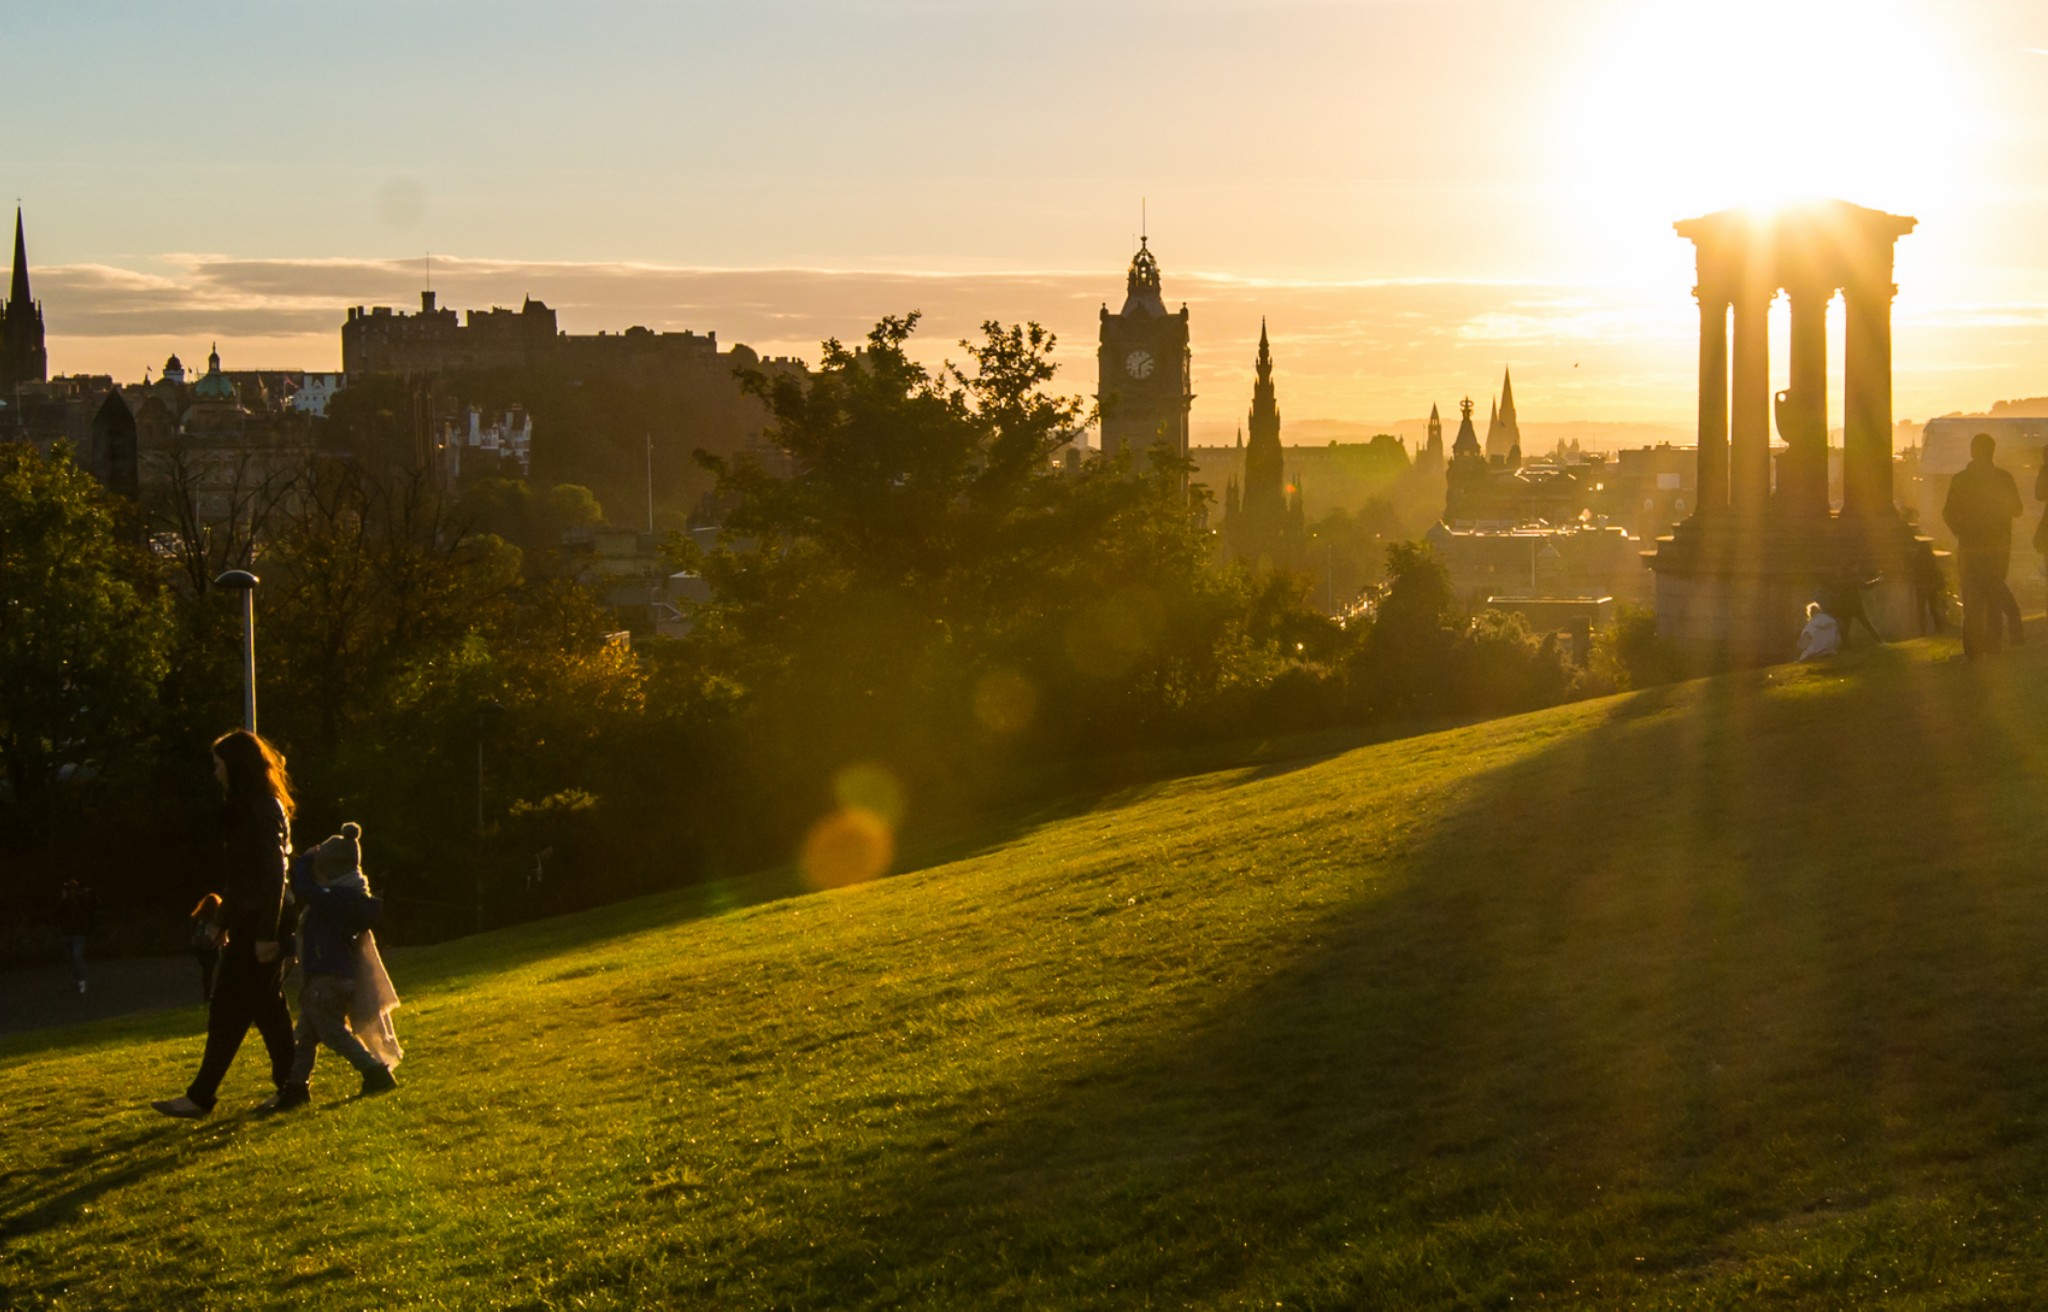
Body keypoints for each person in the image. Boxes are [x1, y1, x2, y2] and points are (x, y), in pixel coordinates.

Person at [152, 730, 298, 1120]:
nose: (215, 771)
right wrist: (223, 921)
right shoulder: (250, 807)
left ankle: (202, 1096)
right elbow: (242, 876)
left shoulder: (262, 809)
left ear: (235, 765)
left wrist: (266, 934)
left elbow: (273, 874)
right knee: (267, 1008)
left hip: (262, 925)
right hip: (253, 922)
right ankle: (291, 1084)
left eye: (219, 763)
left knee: (229, 1009)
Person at [266, 822, 400, 1109]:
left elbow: (304, 887)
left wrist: (303, 860)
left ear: (332, 869)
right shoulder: (346, 897)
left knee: (332, 1032)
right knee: (304, 1036)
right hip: (328, 977)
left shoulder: (338, 898)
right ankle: (295, 1087)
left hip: (327, 978)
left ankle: (374, 1072)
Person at [1943, 432, 2024, 658]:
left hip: (1970, 548)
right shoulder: (2004, 478)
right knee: (1994, 597)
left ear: (1972, 452)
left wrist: (1961, 531)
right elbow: (2017, 509)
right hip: (1998, 548)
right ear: (1992, 452)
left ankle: (1972, 648)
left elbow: (1948, 513)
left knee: (1972, 599)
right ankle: (1993, 645)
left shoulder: (1960, 480)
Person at [54, 877, 96, 994]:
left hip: (78, 932)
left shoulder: (80, 899)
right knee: (72, 957)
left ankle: (81, 979)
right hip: (69, 931)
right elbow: (57, 914)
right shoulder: (66, 900)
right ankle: (77, 978)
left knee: (76, 955)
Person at [188, 893, 224, 1005]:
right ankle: (211, 994)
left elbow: (191, 931)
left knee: (206, 971)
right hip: (212, 947)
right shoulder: (216, 917)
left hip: (200, 948)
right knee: (213, 970)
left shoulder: (199, 917)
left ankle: (207, 994)